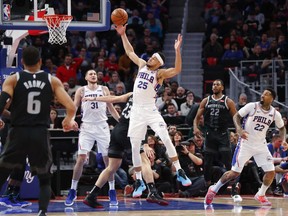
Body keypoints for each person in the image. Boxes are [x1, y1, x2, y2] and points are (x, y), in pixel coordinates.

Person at [114, 24, 191, 198]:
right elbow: (129, 51)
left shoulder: (160, 74)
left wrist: (177, 51)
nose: (150, 58)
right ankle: (139, 181)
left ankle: (179, 170)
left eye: (154, 58)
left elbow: (177, 70)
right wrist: (123, 34)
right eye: (151, 56)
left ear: (159, 63)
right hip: (136, 111)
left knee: (164, 136)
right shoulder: (141, 65)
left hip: (150, 109)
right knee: (134, 146)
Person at [0, 46, 78, 216]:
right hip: (40, 133)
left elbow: (2, 102)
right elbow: (71, 106)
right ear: (40, 61)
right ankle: (42, 212)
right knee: (44, 178)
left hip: (18, 132)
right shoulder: (52, 80)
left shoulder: (13, 79)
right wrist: (67, 120)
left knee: (3, 171)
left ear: (22, 62)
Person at [82, 93, 168, 208]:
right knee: (145, 160)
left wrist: (94, 98)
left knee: (112, 167)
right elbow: (144, 122)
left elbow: (113, 98)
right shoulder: (147, 100)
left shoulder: (133, 93)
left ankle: (92, 195)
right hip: (129, 131)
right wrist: (145, 143)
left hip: (117, 130)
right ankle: (152, 191)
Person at [204, 88, 286, 206]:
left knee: (271, 172)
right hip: (245, 144)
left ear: (272, 98)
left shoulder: (274, 113)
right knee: (234, 173)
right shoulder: (252, 106)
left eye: (266, 95)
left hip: (261, 145)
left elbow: (282, 128)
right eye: (262, 94)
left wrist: (283, 140)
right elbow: (236, 116)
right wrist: (239, 129)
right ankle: (213, 189)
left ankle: (261, 194)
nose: (262, 96)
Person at [65, 69, 120, 206]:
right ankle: (73, 190)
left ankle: (112, 191)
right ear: (85, 77)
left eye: (95, 73)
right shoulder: (81, 91)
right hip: (87, 127)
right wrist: (71, 120)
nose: (93, 75)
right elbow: (74, 107)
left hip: (102, 126)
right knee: (81, 158)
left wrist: (122, 122)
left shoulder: (104, 89)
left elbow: (111, 109)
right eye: (90, 73)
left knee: (109, 161)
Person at [193, 79, 237, 188]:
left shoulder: (228, 101)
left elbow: (236, 118)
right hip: (210, 134)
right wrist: (195, 127)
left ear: (222, 87)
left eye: (217, 84)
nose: (214, 86)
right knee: (207, 162)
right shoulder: (206, 100)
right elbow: (197, 117)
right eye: (213, 84)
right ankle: (207, 185)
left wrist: (238, 130)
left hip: (223, 134)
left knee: (227, 161)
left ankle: (233, 185)